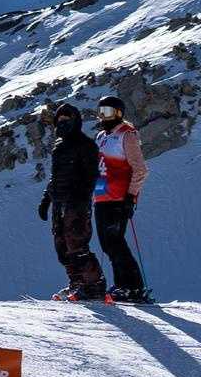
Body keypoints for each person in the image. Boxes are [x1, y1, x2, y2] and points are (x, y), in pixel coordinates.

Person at [38, 102, 107, 301]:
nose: (63, 123)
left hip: (76, 203)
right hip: (59, 203)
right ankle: (77, 284)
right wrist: (46, 200)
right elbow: (55, 177)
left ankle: (94, 287)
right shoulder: (59, 146)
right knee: (62, 248)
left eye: (67, 119)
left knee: (77, 245)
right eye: (59, 120)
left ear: (76, 121)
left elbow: (93, 175)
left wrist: (81, 196)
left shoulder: (85, 145)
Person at [91, 93, 150, 302]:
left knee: (115, 242)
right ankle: (122, 285)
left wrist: (131, 195)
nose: (103, 117)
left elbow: (140, 169)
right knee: (108, 244)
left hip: (118, 197)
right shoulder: (101, 137)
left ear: (118, 113)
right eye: (100, 112)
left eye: (108, 112)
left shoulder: (127, 134)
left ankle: (133, 287)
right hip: (102, 196)